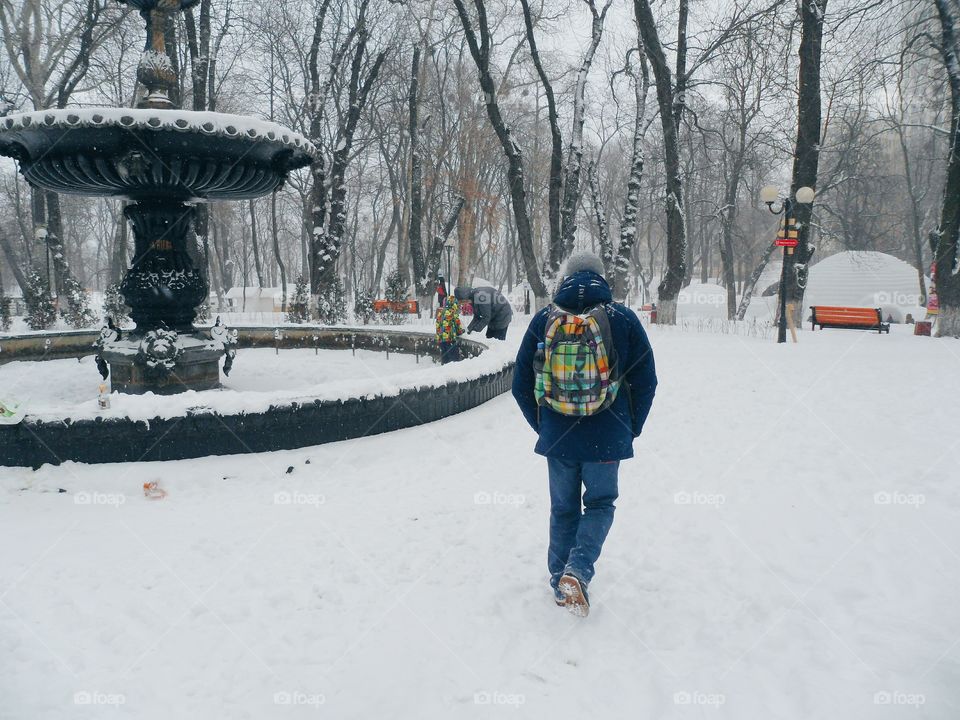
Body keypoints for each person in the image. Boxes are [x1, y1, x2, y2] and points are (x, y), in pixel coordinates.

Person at [512, 251, 657, 617]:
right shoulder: (622, 318)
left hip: (558, 436)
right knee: (600, 504)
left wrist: (545, 424)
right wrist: (630, 428)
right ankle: (578, 571)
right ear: (602, 278)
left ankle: (559, 579)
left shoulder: (544, 319)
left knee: (563, 509)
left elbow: (519, 384)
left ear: (565, 279)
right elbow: (647, 380)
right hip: (608, 435)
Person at [435, 294, 464, 364]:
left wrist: (439, 336)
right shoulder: (452, 313)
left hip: (441, 340)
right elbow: (457, 324)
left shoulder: (441, 312)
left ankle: (444, 369)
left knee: (445, 357)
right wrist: (460, 331)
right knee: (454, 357)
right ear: (454, 304)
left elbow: (437, 325)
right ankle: (453, 372)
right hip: (450, 339)